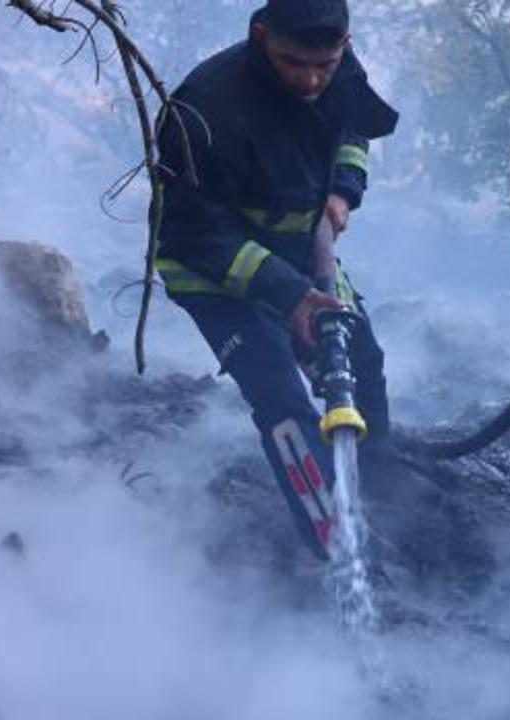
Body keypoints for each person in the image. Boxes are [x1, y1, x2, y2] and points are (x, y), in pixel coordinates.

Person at [154, 0, 398, 564]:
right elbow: (191, 234)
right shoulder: (205, 107)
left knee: (362, 360)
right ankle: (340, 550)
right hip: (213, 274)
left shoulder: (338, 64)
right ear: (260, 34)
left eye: (325, 64)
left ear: (344, 44)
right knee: (283, 399)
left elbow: (355, 126)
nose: (311, 80)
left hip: (301, 257)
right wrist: (290, 298)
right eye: (293, 63)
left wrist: (343, 190)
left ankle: (383, 490)